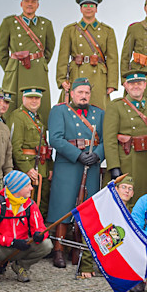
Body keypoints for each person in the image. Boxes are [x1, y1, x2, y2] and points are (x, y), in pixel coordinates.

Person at [47, 77, 104, 274]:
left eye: (87, 93)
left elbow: (106, 139)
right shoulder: (59, 111)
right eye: (80, 92)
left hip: (91, 165)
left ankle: (82, 250)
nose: (84, 96)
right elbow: (55, 138)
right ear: (71, 93)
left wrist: (97, 155)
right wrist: (77, 155)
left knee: (86, 207)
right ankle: (59, 248)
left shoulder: (99, 113)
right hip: (68, 163)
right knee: (63, 206)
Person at [0, 0, 55, 125]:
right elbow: (1, 50)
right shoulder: (9, 22)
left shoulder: (46, 24)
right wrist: (10, 67)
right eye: (27, 1)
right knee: (12, 106)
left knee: (40, 106)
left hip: (37, 72)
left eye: (33, 1)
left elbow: (49, 50)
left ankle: (40, 138)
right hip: (16, 70)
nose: (30, 4)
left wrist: (39, 63)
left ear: (38, 5)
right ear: (21, 4)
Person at [103, 70, 147, 206]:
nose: (136, 86)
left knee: (146, 200)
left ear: (145, 85)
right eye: (132, 83)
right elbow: (109, 139)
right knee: (124, 202)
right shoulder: (116, 106)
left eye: (139, 83)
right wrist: (114, 166)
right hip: (127, 161)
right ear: (125, 86)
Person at [0, 171, 52, 282]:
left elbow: (41, 228)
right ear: (17, 188)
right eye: (27, 186)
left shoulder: (30, 204)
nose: (31, 188)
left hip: (22, 247)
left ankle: (21, 266)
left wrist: (40, 234)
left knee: (46, 245)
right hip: (2, 247)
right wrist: (12, 241)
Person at [56, 0, 118, 110]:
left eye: (91, 6)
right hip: (77, 72)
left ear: (96, 9)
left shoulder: (107, 31)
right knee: (74, 109)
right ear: (80, 9)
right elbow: (63, 57)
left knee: (99, 108)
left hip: (99, 77)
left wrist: (112, 83)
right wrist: (61, 79)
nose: (88, 8)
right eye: (85, 6)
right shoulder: (70, 30)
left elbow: (112, 59)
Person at [7, 86, 54, 219]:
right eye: (30, 98)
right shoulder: (18, 116)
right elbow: (15, 147)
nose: (34, 101)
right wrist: (27, 169)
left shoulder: (38, 119)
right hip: (28, 169)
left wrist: (50, 167)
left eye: (37, 98)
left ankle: (39, 230)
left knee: (42, 203)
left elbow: (45, 144)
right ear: (23, 99)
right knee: (27, 204)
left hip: (41, 168)